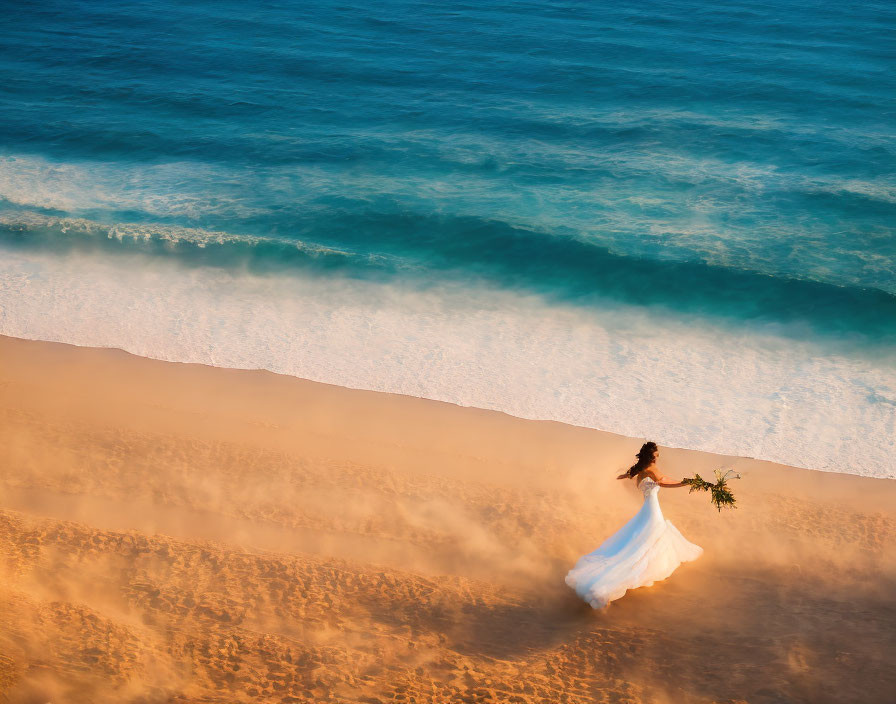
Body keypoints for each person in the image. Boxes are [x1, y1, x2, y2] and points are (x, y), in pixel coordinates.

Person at [565, 441, 702, 608]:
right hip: (652, 509)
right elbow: (664, 482)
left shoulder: (639, 469)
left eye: (657, 455)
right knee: (652, 537)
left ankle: (638, 567)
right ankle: (613, 583)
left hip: (647, 506)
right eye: (656, 455)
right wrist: (686, 482)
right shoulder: (651, 469)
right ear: (651, 456)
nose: (657, 458)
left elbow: (627, 475)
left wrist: (622, 476)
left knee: (646, 538)